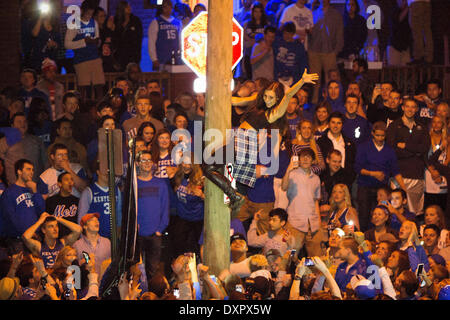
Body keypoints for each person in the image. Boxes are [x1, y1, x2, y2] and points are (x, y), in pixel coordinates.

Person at [202, 71, 319, 215]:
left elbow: (288, 95)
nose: (267, 100)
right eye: (265, 96)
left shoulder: (274, 113)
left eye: (271, 98)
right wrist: (221, 88)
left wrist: (301, 81)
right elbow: (235, 101)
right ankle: (235, 194)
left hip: (244, 143)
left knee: (209, 167)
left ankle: (233, 194)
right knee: (211, 167)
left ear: (278, 99)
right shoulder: (258, 104)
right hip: (239, 139)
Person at [355, 121, 406, 231]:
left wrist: (403, 188)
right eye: (377, 135)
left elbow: (396, 170)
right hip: (365, 186)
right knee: (364, 215)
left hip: (382, 188)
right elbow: (358, 168)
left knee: (381, 214)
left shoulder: (389, 150)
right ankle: (365, 238)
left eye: (382, 135)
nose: (380, 138)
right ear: (372, 133)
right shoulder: (364, 147)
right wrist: (373, 173)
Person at [386, 98, 430, 217]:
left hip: (416, 174)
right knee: (396, 210)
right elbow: (391, 149)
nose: (410, 109)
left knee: (415, 212)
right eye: (408, 106)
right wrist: (414, 152)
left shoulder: (422, 127)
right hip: (398, 174)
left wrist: (406, 146)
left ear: (416, 109)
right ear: (403, 107)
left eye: (413, 107)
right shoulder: (394, 126)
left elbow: (425, 148)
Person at [282, 148, 322, 256]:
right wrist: (288, 170)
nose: (305, 159)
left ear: (313, 161)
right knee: (292, 253)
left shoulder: (316, 179)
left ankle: (309, 272)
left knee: (315, 257)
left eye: (308, 157)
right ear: (298, 159)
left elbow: (316, 201)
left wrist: (318, 221)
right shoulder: (292, 173)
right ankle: (290, 272)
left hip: (312, 224)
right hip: (295, 222)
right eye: (302, 156)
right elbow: (284, 187)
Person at [136, 151, 169, 279]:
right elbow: (130, 208)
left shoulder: (160, 184)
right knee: (136, 271)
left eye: (149, 160)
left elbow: (165, 208)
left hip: (155, 234)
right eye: (143, 160)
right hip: (138, 234)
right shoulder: (134, 184)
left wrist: (160, 229)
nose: (147, 163)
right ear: (138, 164)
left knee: (153, 271)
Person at [64, 0, 105, 102]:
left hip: (94, 57)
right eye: (87, 13)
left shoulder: (93, 22)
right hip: (81, 59)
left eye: (91, 14)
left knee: (99, 85)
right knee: (83, 88)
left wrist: (96, 41)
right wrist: (83, 42)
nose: (89, 16)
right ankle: (82, 108)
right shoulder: (74, 23)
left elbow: (97, 38)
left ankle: (99, 107)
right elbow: (67, 44)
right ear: (82, 11)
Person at [0, 159, 45, 251]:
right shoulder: (9, 192)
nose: (31, 172)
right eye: (28, 169)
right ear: (19, 171)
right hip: (18, 240)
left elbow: (41, 211)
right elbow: (11, 217)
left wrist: (36, 191)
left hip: (35, 237)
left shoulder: (32, 191)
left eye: (32, 170)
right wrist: (26, 232)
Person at [308, 0, 344, 104]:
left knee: (332, 79)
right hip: (314, 50)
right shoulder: (312, 12)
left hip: (329, 51)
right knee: (314, 80)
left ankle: (334, 102)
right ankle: (314, 103)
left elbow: (340, 33)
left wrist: (336, 50)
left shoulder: (336, 14)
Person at [0, 112, 48, 184]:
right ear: (12, 125)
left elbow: (45, 162)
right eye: (19, 122)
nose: (23, 124)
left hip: (35, 185)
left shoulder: (36, 140)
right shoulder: (4, 142)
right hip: (14, 186)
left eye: (25, 121)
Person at [317, 111, 356, 183]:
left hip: (345, 182)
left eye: (339, 123)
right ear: (328, 124)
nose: (335, 125)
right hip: (326, 182)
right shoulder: (321, 142)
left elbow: (352, 163)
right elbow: (318, 163)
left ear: (342, 125)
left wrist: (350, 178)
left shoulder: (349, 143)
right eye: (333, 122)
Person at [148, 0, 182, 70]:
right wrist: (154, 59)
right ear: (162, 8)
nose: (168, 9)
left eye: (170, 7)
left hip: (175, 58)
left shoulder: (178, 22)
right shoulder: (156, 22)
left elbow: (180, 40)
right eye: (165, 7)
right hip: (161, 58)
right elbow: (151, 42)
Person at [111, 1, 143, 71]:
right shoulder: (116, 21)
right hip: (119, 55)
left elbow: (138, 39)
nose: (129, 8)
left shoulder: (135, 20)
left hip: (133, 55)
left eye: (129, 6)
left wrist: (137, 57)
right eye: (126, 7)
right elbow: (114, 39)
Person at [45, 172, 79, 238]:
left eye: (71, 180)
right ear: (59, 184)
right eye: (66, 179)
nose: (70, 182)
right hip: (57, 239)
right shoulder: (50, 201)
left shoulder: (77, 201)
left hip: (74, 237)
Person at [242, 1, 269, 80]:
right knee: (248, 77)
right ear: (252, 12)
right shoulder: (247, 24)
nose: (257, 14)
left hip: (261, 53)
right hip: (249, 53)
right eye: (255, 11)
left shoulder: (266, 25)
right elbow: (245, 37)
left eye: (259, 11)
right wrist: (253, 41)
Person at [407, 0, 433, 65]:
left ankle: (418, 56)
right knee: (427, 31)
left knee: (416, 31)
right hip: (427, 3)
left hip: (416, 3)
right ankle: (429, 58)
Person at [387, 0, 412, 66]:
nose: (404, 2)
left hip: (405, 47)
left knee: (406, 71)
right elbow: (398, 20)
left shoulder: (410, 13)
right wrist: (408, 8)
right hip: (394, 46)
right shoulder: (394, 11)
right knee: (393, 70)